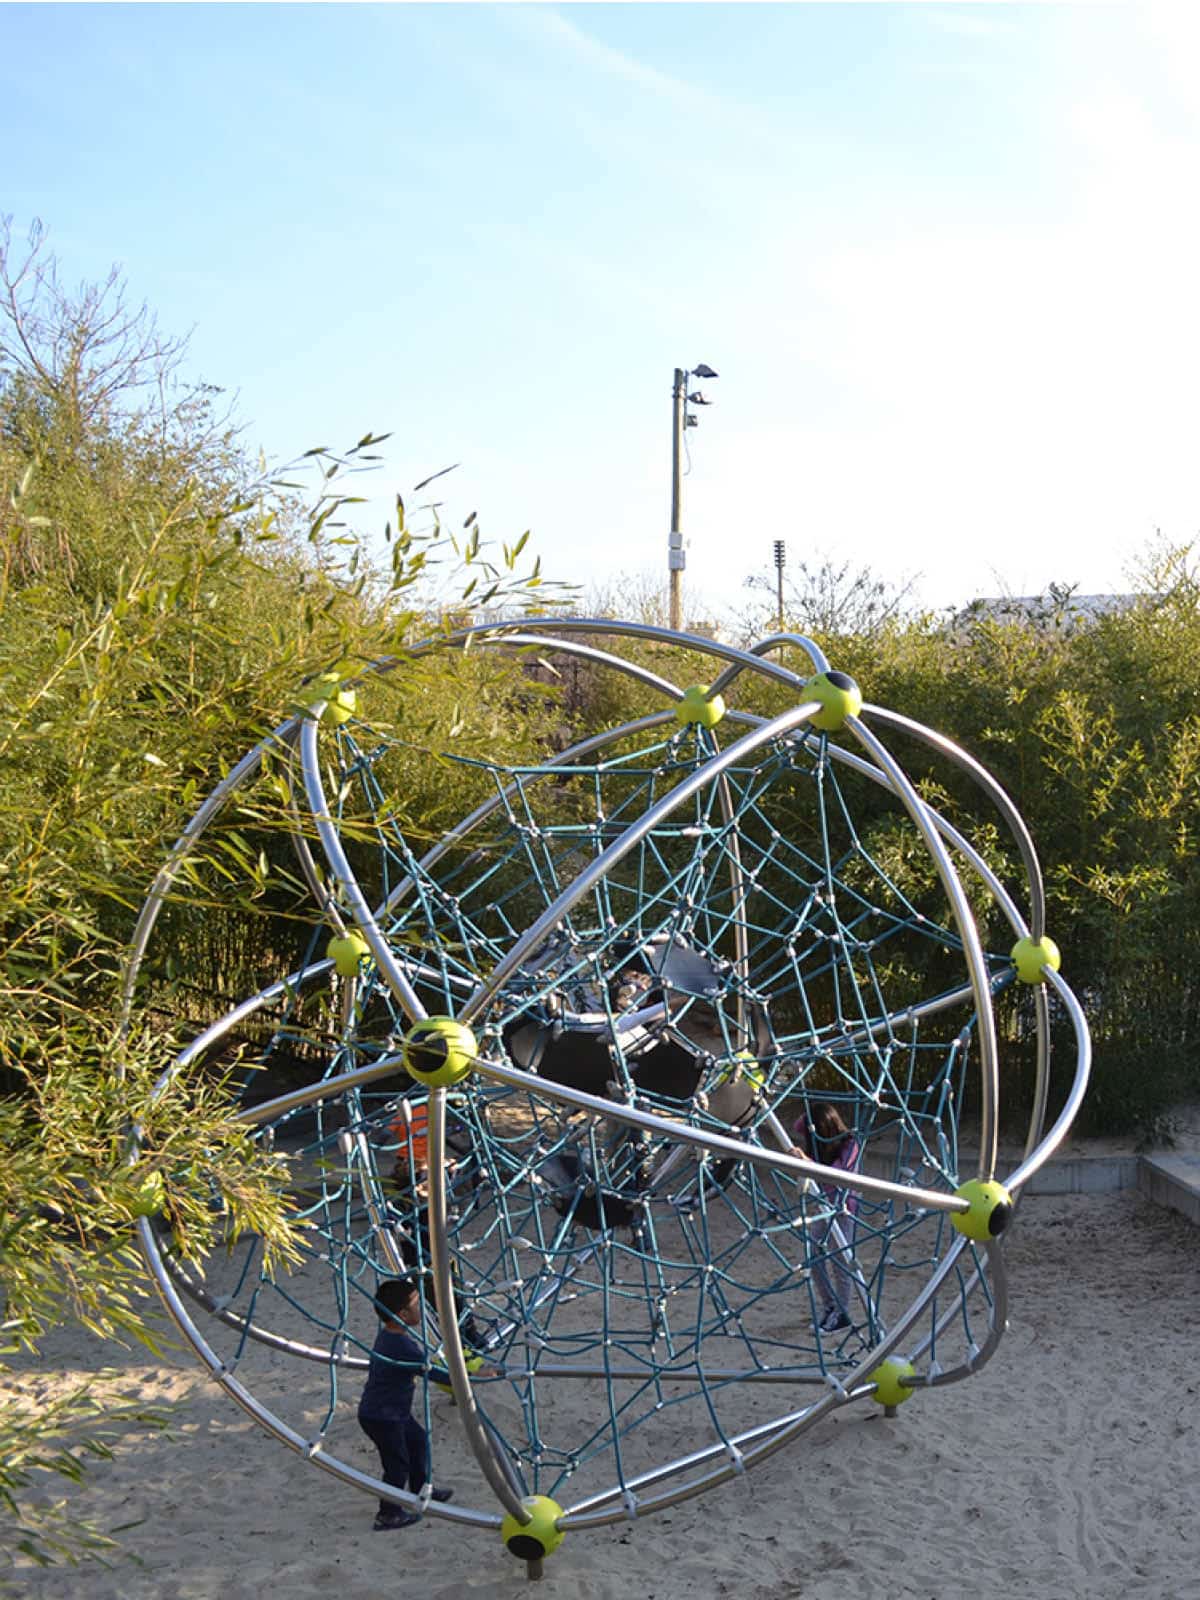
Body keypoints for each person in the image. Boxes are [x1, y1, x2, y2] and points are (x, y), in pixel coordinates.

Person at [358, 1277, 457, 1531]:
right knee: (396, 1464)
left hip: (394, 1411)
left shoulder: (393, 1335)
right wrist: (472, 1376)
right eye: (416, 1304)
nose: (421, 1308)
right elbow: (436, 1373)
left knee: (418, 1442)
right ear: (402, 1313)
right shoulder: (400, 1345)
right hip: (382, 1416)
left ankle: (420, 1490)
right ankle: (388, 1513)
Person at [791, 1102, 862, 1334]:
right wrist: (809, 1105)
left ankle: (842, 1313)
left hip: (842, 1209)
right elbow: (797, 1125)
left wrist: (807, 1162)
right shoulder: (819, 1143)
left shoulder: (850, 1143)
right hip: (823, 1206)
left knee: (840, 1263)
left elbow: (837, 1175)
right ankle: (830, 1307)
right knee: (813, 1256)